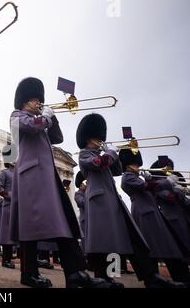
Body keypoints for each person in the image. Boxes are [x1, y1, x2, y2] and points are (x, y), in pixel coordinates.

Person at [9, 77, 108, 288]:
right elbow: (33, 127)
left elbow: (58, 138)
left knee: (64, 222)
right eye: (35, 99)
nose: (38, 102)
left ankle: (75, 273)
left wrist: (53, 116)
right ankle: (29, 274)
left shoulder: (41, 122)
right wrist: (44, 117)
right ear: (25, 101)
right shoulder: (17, 116)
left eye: (40, 99)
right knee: (30, 227)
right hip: (31, 177)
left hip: (47, 179)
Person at [77, 113, 183, 288]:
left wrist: (120, 155)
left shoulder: (104, 154)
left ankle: (150, 276)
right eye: (97, 137)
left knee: (132, 240)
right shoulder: (84, 154)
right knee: (105, 242)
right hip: (99, 203)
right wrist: (109, 153)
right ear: (89, 138)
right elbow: (99, 163)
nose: (100, 140)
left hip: (113, 202)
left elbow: (117, 170)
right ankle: (106, 278)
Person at [120, 149, 190, 285]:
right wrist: (167, 182)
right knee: (155, 247)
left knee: (165, 246)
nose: (138, 167)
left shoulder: (136, 176)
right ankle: (155, 278)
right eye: (135, 164)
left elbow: (150, 187)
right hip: (144, 213)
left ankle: (178, 277)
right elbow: (148, 187)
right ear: (128, 165)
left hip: (151, 212)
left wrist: (150, 178)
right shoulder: (128, 177)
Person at [0, 146, 17, 269]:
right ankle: (6, 259)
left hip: (19, 207)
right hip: (9, 206)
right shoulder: (5, 172)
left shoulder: (18, 172)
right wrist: (11, 196)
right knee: (7, 234)